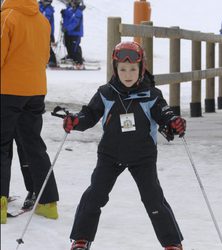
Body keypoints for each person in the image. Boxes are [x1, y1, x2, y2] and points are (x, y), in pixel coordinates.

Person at [63, 41, 186, 250]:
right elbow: (90, 114)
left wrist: (173, 122)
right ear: (115, 69)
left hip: (143, 156)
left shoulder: (152, 95)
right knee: (95, 195)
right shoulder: (106, 93)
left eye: (132, 69)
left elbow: (165, 114)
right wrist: (76, 120)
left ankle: (172, 243)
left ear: (141, 69)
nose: (127, 74)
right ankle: (81, 239)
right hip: (110, 155)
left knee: (153, 199)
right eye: (122, 69)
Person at [1, 0, 59, 224]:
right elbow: (44, 57)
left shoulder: (7, 17)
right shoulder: (42, 21)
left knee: (2, 145)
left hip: (7, 91)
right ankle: (47, 202)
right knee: (33, 143)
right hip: (35, 90)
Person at [61, 0, 85, 69]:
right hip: (68, 32)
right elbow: (67, 18)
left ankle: (79, 61)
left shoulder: (78, 11)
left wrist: (67, 28)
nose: (72, 4)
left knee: (74, 47)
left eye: (73, 2)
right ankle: (71, 57)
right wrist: (64, 13)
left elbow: (75, 22)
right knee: (67, 45)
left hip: (75, 33)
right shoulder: (69, 9)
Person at [39, 0, 58, 67]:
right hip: (38, 30)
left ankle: (52, 61)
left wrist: (51, 34)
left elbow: (49, 22)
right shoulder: (38, 6)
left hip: (46, 31)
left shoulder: (49, 10)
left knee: (47, 46)